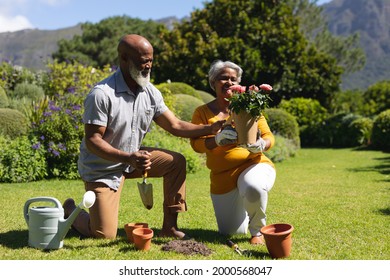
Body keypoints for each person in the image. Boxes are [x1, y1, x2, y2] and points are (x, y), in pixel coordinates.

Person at [63, 34, 225, 239]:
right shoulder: (102, 94)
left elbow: (174, 125)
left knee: (176, 162)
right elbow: (93, 141)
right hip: (101, 168)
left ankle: (170, 227)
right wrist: (128, 157)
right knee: (103, 234)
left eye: (151, 60)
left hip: (133, 160)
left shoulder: (150, 92)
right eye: (143, 61)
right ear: (124, 59)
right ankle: (70, 209)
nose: (148, 66)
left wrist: (209, 129)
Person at [190, 60, 276, 245]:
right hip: (222, 177)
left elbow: (269, 137)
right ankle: (246, 206)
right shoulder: (202, 112)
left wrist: (262, 144)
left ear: (239, 84)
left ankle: (258, 232)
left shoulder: (250, 106)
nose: (229, 82)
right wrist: (217, 140)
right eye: (223, 78)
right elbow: (196, 144)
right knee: (231, 232)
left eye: (233, 79)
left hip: (253, 164)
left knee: (253, 187)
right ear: (213, 82)